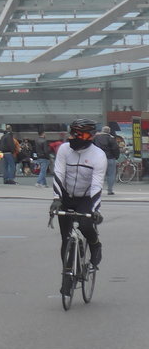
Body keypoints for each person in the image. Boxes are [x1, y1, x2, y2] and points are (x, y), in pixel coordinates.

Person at [50, 118, 105, 295]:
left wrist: (95, 210)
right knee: (66, 239)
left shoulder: (98, 156)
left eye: (79, 135)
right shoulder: (64, 149)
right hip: (66, 196)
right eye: (72, 133)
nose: (73, 137)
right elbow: (59, 173)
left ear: (90, 136)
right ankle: (67, 276)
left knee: (85, 225)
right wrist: (56, 198)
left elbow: (97, 185)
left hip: (86, 198)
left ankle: (95, 245)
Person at [92, 125, 119, 195]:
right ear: (109, 131)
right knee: (111, 174)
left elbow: (92, 146)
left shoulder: (96, 138)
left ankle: (97, 190)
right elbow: (115, 148)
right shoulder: (111, 138)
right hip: (110, 158)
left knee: (98, 174)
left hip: (99, 159)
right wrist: (116, 157)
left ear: (102, 130)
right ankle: (110, 190)